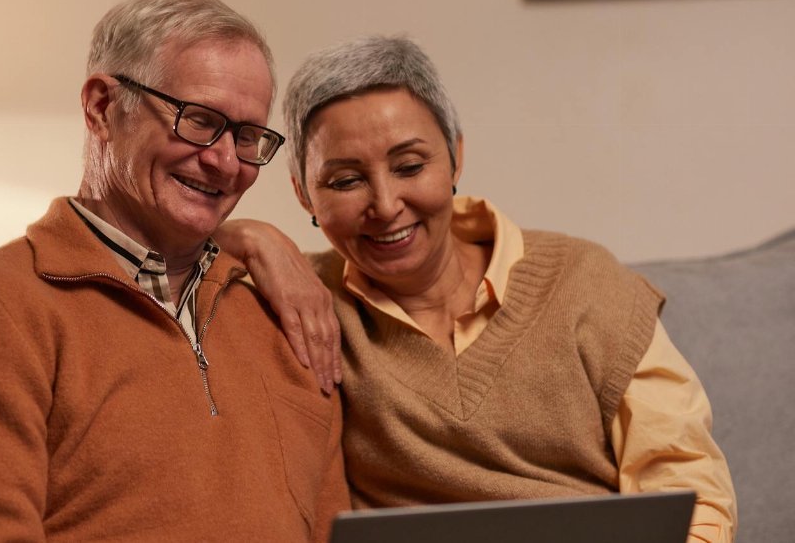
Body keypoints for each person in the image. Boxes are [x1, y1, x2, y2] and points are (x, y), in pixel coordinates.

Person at [221, 35, 737, 543]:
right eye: (345, 181)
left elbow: (686, 482)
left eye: (410, 167)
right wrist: (250, 235)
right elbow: (159, 257)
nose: (385, 204)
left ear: (455, 158)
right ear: (302, 194)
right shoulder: (303, 303)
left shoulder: (586, 280)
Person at [0, 0, 349, 542]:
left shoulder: (290, 317)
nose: (226, 161)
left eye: (248, 136)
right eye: (199, 120)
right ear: (102, 107)